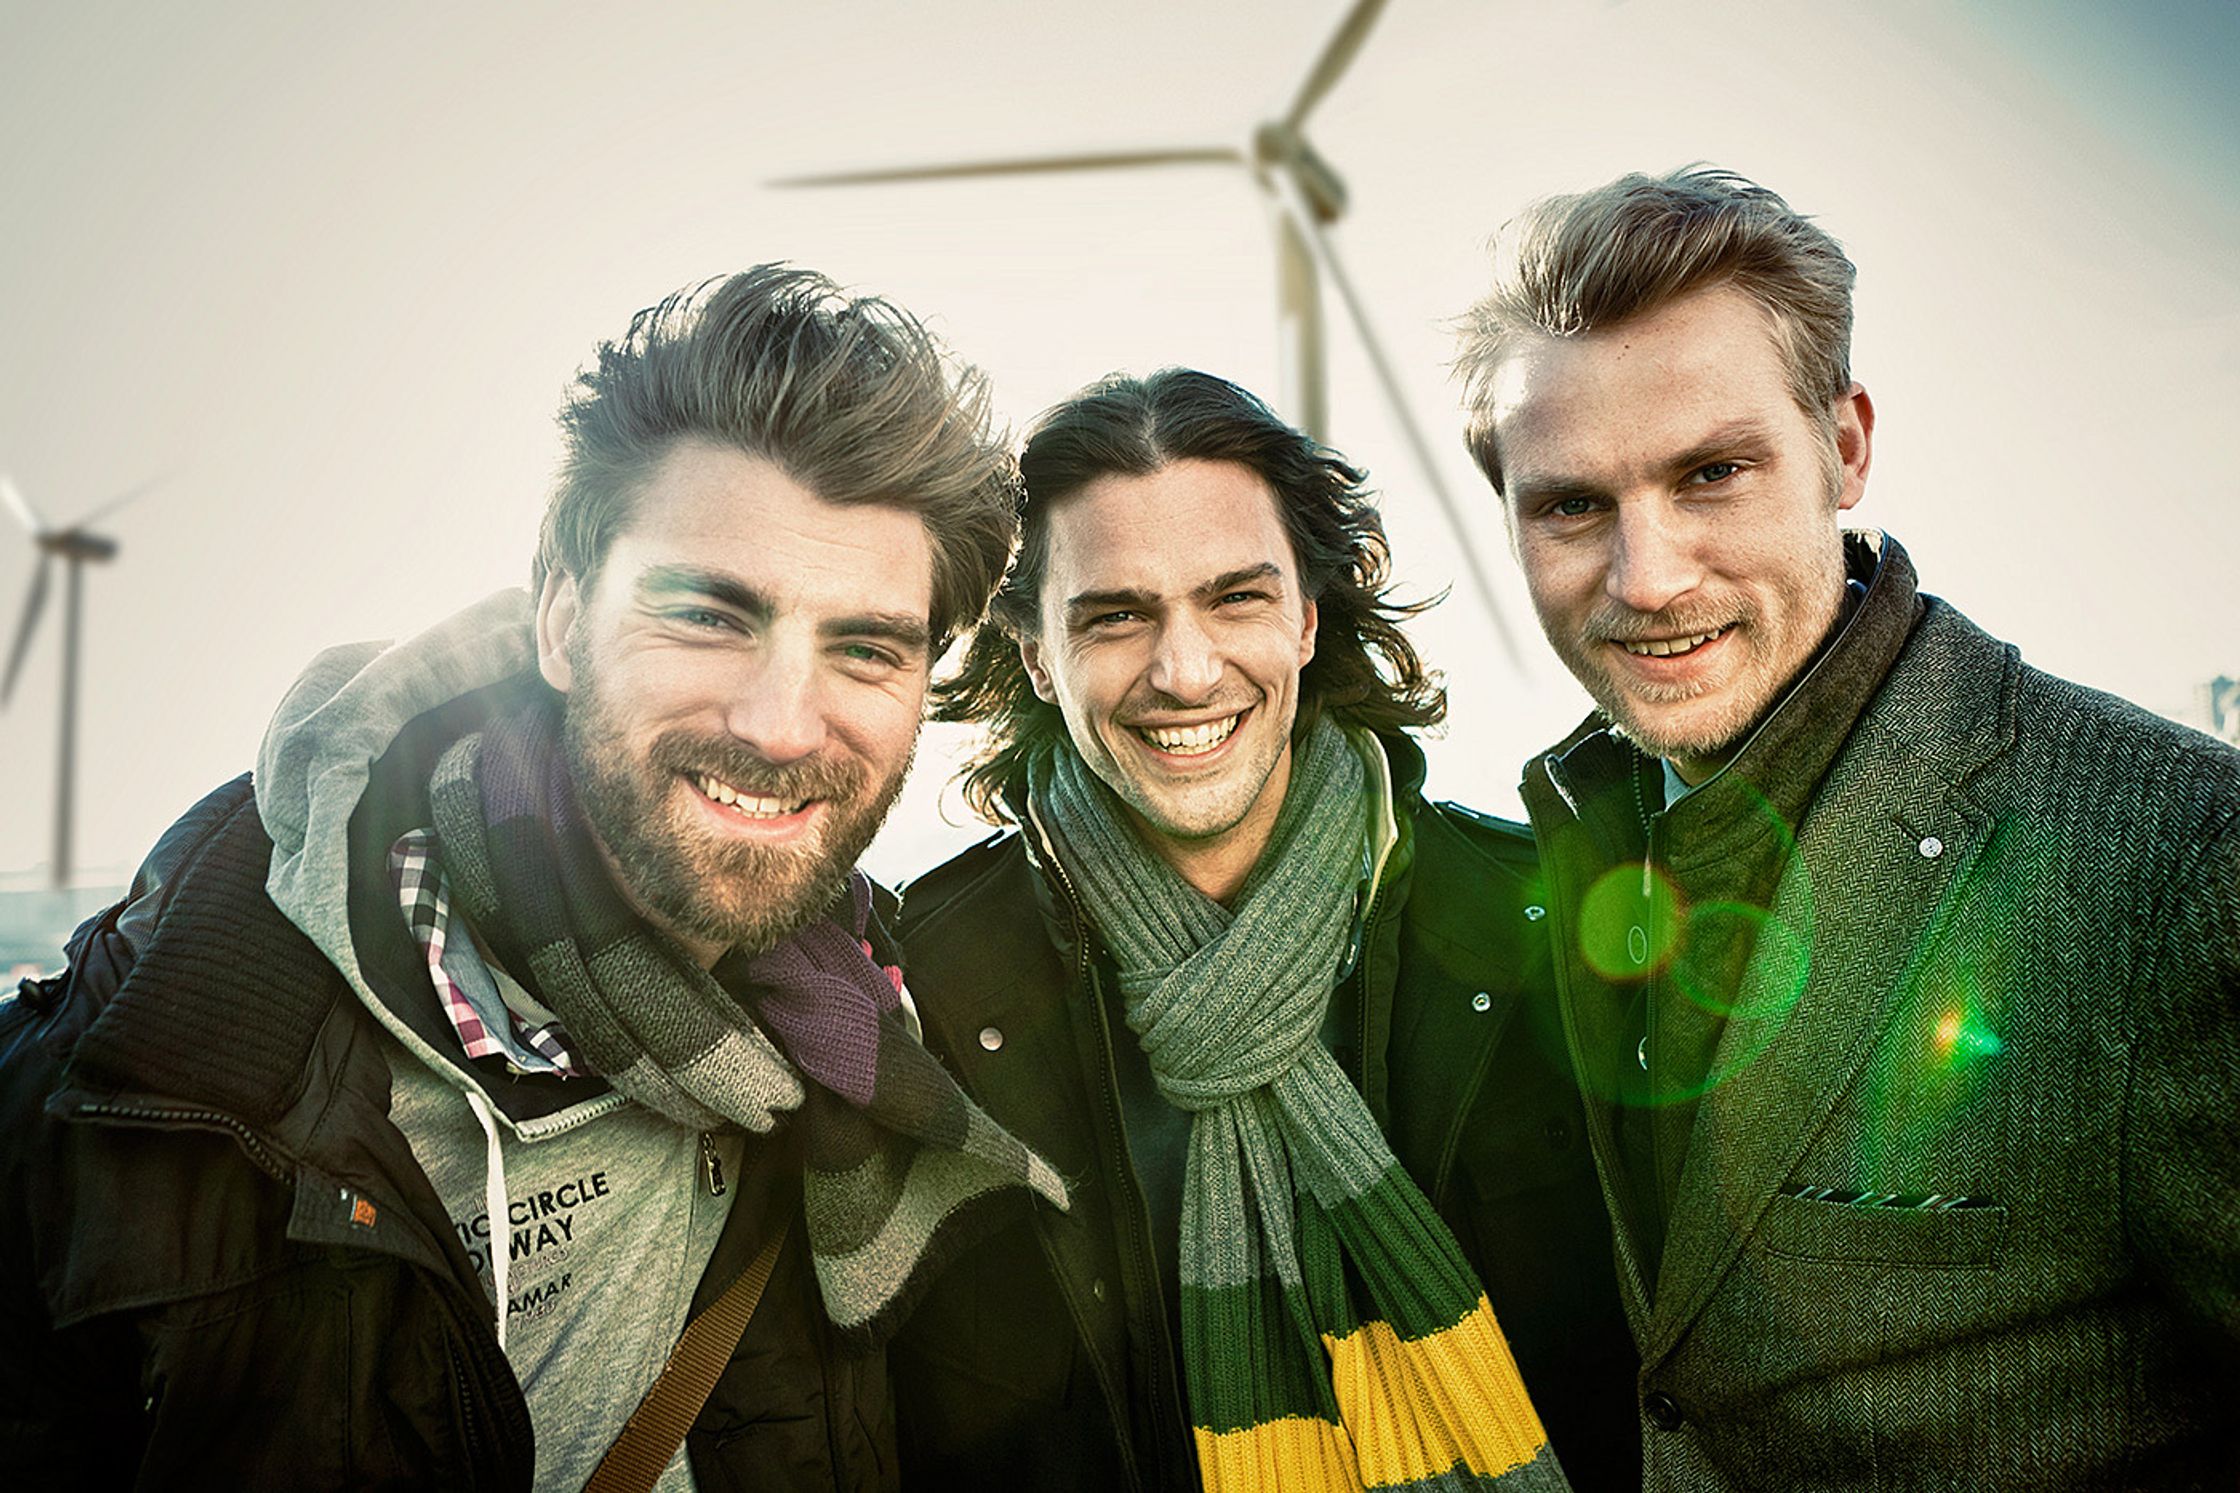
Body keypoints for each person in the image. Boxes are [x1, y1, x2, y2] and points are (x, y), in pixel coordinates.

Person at [0, 266, 1067, 1491]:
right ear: (560, 618)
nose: (782, 724)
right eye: (710, 616)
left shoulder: (869, 1040)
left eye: (865, 648)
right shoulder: (122, 1093)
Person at [1453, 166, 2240, 1488]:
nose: (1647, 579)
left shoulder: (2179, 856)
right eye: (1573, 505)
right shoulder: (1558, 850)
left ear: (1846, 445)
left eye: (1711, 473)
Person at [888, 368, 1636, 1491]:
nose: (1183, 671)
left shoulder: (1548, 923)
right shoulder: (919, 998)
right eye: (1114, 615)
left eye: (1234, 597)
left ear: (1305, 617)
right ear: (1037, 655)